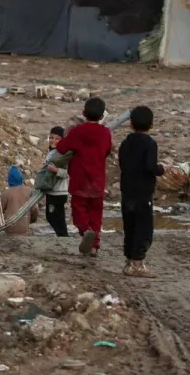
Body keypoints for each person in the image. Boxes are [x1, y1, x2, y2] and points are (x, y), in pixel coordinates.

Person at [56, 97, 113, 259]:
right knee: (96, 214)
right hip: (97, 181)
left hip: (80, 180)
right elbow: (107, 150)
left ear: (83, 113)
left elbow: (61, 148)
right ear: (102, 116)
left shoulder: (77, 131)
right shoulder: (105, 133)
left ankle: (85, 231)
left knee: (79, 212)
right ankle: (94, 245)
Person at [118, 106, 165, 277]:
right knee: (144, 228)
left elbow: (122, 164)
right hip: (142, 193)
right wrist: (161, 169)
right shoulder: (149, 144)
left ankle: (129, 260)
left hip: (127, 191)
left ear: (130, 123)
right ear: (151, 124)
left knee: (130, 226)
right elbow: (150, 166)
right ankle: (137, 264)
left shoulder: (125, 143)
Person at [40, 125, 71, 237]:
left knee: (55, 216)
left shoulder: (63, 154)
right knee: (52, 216)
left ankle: (63, 237)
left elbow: (67, 173)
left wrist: (55, 170)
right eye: (51, 137)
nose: (53, 140)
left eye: (57, 138)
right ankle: (63, 236)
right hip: (51, 190)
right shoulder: (52, 152)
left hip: (59, 191)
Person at [0, 165, 40, 236]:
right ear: (21, 178)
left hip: (10, 230)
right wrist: (31, 220)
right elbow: (35, 209)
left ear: (9, 179)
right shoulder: (29, 191)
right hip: (25, 228)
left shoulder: (6, 193)